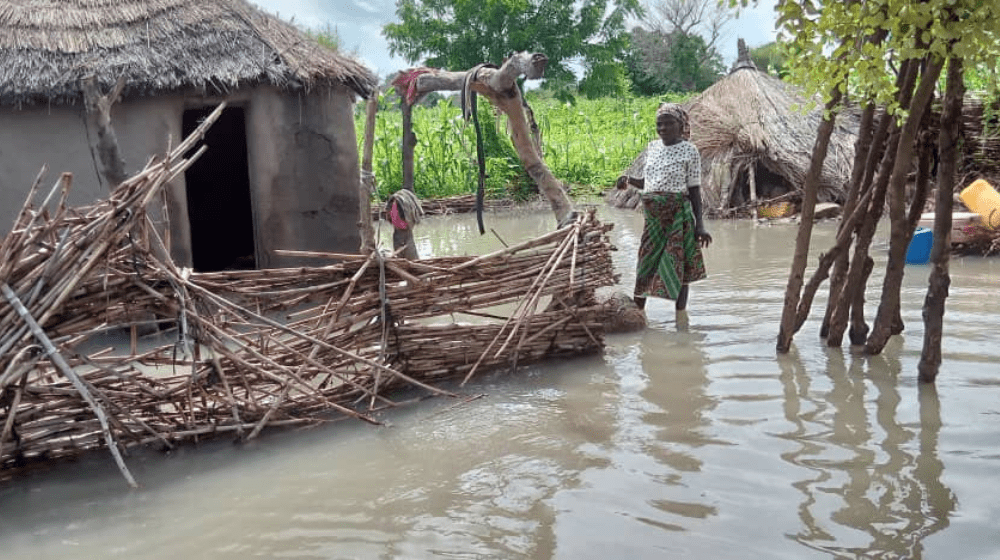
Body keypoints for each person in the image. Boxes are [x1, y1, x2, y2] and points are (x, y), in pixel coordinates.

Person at [616, 102, 712, 316]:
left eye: (669, 124)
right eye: (659, 124)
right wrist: (629, 180)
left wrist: (700, 226)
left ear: (681, 126)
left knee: (680, 264)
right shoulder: (652, 147)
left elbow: (694, 190)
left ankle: (680, 318)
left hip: (677, 214)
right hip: (653, 219)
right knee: (645, 263)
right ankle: (637, 315)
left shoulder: (690, 150)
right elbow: (648, 182)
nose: (663, 129)